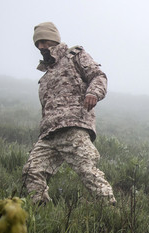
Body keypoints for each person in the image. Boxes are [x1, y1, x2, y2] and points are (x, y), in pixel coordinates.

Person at [22, 22, 116, 206]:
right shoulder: (47, 74)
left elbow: (98, 76)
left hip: (73, 126)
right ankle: (41, 214)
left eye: (45, 41)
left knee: (88, 172)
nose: (41, 46)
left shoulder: (75, 56)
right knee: (31, 172)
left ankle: (112, 214)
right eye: (38, 43)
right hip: (49, 133)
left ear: (55, 39)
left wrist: (93, 93)